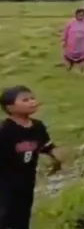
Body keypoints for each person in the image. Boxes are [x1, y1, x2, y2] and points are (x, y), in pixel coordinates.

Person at [0, 86, 62, 229]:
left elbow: (47, 147)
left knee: (22, 216)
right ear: (10, 107)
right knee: (4, 216)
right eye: (25, 100)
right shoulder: (5, 130)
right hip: (4, 183)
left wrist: (56, 159)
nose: (32, 102)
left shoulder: (38, 127)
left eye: (32, 98)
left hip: (27, 181)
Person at [62, 8, 84, 73]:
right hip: (72, 45)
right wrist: (64, 41)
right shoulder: (71, 22)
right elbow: (65, 32)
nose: (81, 16)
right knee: (70, 58)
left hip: (83, 45)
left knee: (83, 58)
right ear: (76, 15)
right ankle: (69, 68)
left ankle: (81, 71)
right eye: (80, 15)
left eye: (83, 15)